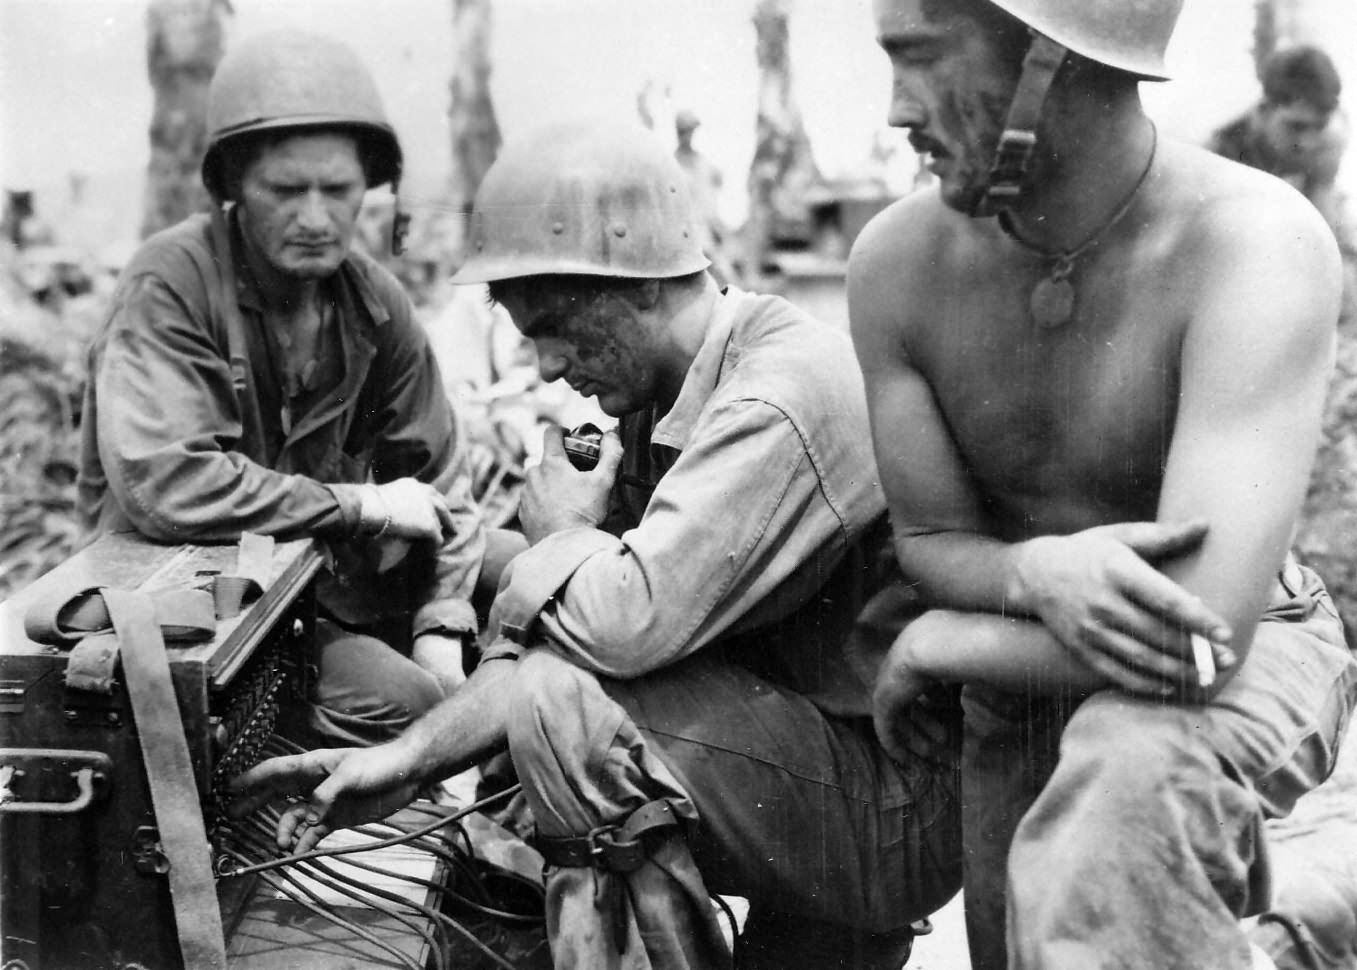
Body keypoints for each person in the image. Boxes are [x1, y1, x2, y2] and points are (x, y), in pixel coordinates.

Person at [231, 120, 963, 970]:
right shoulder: (662, 398)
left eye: (556, 326)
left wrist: (564, 532)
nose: (544, 368)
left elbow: (618, 631)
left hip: (893, 815)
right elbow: (556, 630)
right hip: (819, 764)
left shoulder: (774, 398)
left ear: (641, 286)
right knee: (531, 643)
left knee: (560, 707)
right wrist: (402, 762)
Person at [848, 1, 1357, 969]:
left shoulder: (1253, 239)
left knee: (1122, 803)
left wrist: (947, 636)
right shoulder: (895, 266)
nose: (894, 111)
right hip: (1021, 668)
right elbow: (931, 539)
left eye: (918, 60)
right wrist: (1035, 573)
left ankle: (1308, 918)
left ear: (1053, 56)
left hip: (1238, 652)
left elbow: (1196, 639)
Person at [77, 30, 488, 743]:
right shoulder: (171, 284)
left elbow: (439, 480)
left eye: (338, 189)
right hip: (195, 604)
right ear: (233, 185)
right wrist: (358, 504)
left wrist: (441, 627)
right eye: (285, 190)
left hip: (317, 585)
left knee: (519, 574)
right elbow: (171, 487)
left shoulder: (374, 304)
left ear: (371, 188)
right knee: (409, 708)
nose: (315, 218)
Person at [1208, 45, 1349, 241]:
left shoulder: (1331, 138)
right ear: (1263, 111)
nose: (1307, 142)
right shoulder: (1221, 147)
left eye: (1319, 126)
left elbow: (1323, 226)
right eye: (1296, 127)